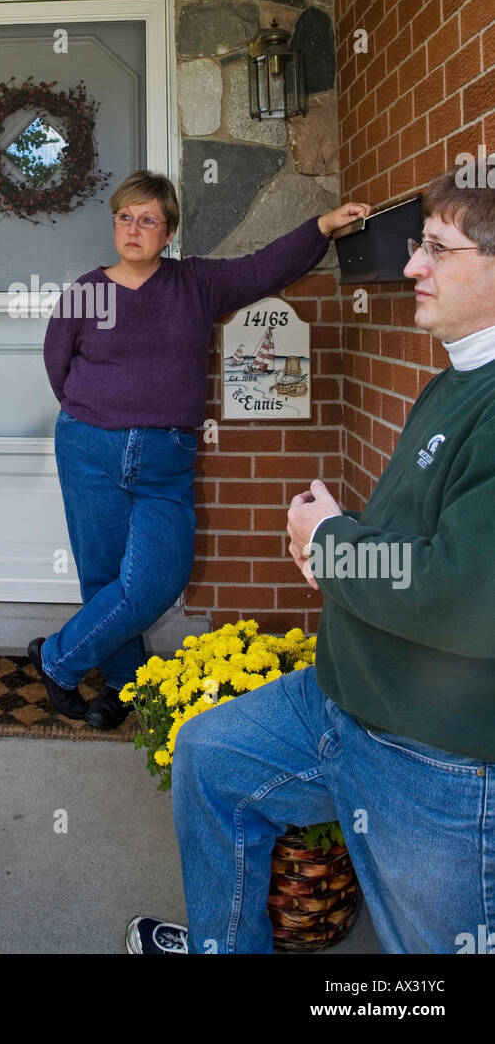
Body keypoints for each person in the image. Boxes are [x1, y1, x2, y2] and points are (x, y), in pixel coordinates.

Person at [127, 171, 495, 955]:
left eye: (436, 248)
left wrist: (331, 547)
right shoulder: (454, 380)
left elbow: (463, 595)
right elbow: (411, 534)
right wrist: (339, 538)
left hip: (432, 752)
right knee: (208, 755)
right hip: (338, 700)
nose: (410, 268)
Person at [32, 169, 367, 730]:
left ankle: (56, 659)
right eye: (124, 217)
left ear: (168, 234)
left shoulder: (196, 285)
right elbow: (57, 366)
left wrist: (323, 228)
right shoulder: (86, 292)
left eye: (148, 220)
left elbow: (262, 268)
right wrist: (99, 415)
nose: (133, 229)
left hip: (165, 456)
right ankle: (123, 684)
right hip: (89, 447)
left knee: (156, 580)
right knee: (102, 575)